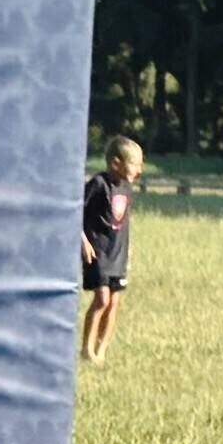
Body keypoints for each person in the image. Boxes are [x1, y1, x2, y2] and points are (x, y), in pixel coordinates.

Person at [80, 135, 144, 360]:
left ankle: (101, 351)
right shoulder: (98, 184)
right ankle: (87, 349)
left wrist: (128, 249)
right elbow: (75, 211)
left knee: (114, 302)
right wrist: (83, 241)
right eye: (135, 164)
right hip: (98, 253)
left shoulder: (126, 188)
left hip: (118, 253)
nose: (139, 170)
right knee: (102, 300)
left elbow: (123, 221)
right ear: (116, 163)